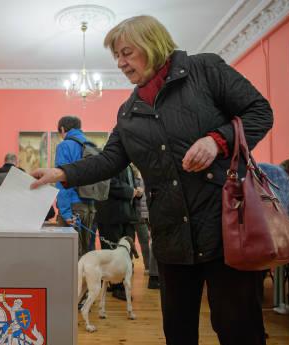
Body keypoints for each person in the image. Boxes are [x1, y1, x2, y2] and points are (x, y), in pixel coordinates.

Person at [31, 15, 273, 345]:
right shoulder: (129, 112)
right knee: (178, 330)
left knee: (237, 327)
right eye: (116, 56)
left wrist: (216, 140)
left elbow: (260, 111)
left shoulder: (205, 70)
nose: (120, 63)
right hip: (171, 233)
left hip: (225, 224)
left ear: (152, 43)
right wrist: (61, 173)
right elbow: (109, 160)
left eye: (127, 52)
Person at [95, 165, 141, 300]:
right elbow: (110, 183)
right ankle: (117, 287)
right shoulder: (110, 164)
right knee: (113, 251)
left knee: (125, 251)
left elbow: (129, 186)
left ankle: (116, 283)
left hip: (126, 215)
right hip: (112, 215)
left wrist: (137, 193)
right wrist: (131, 191)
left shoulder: (129, 167)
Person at [54, 115, 96, 257]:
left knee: (67, 256)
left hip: (73, 207)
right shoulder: (90, 145)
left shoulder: (65, 146)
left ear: (63, 129)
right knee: (85, 255)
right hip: (90, 207)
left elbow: (62, 179)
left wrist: (65, 212)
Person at [131, 165, 160, 289]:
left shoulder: (144, 178)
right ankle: (149, 270)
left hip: (143, 214)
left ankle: (149, 268)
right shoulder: (143, 179)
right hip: (143, 215)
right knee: (146, 242)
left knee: (145, 242)